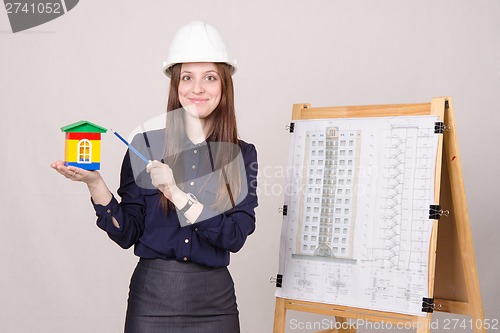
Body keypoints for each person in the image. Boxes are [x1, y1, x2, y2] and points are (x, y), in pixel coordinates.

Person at [51, 21, 258, 333]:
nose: (197, 88)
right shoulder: (144, 146)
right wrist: (95, 184)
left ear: (224, 86)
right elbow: (128, 233)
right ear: (175, 85)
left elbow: (234, 236)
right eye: (187, 77)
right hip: (152, 301)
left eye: (210, 78)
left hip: (216, 304)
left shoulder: (242, 155)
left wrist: (176, 193)